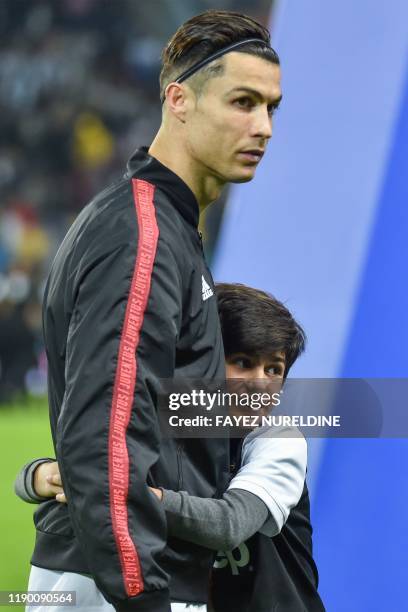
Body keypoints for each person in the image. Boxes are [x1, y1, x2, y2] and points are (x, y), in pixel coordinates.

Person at [21, 9, 282, 612]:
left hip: (116, 573)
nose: (263, 126)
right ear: (179, 99)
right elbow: (106, 436)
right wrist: (144, 595)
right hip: (120, 583)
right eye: (242, 102)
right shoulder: (145, 235)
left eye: (271, 107)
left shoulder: (162, 227)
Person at [17, 283, 325, 611]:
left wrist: (123, 492)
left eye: (274, 370)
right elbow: (80, 469)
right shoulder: (172, 426)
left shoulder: (278, 441)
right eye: (243, 362)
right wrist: (41, 476)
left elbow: (229, 524)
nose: (260, 383)